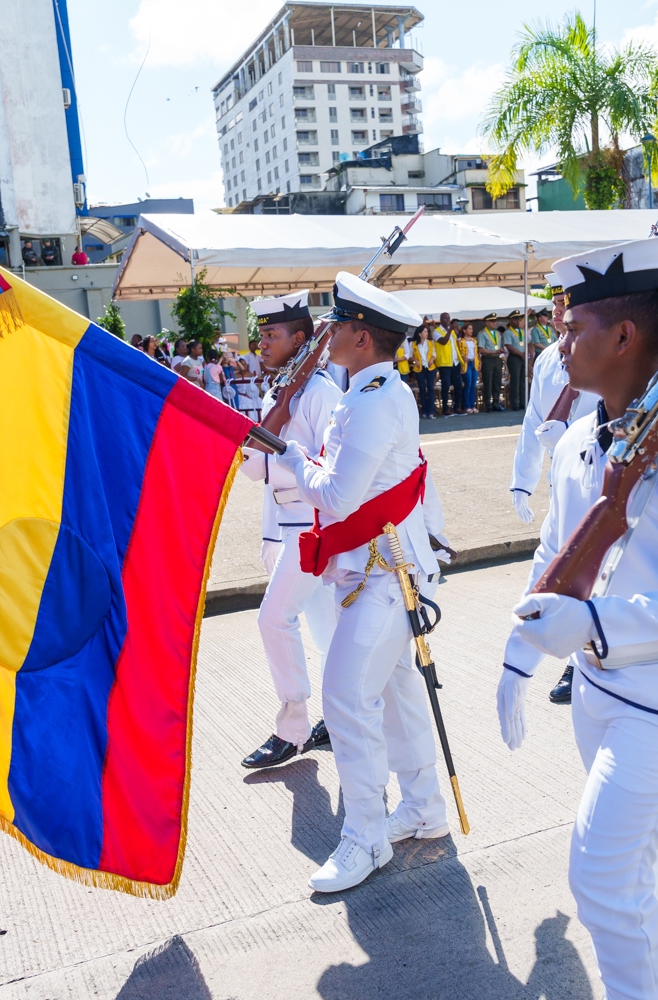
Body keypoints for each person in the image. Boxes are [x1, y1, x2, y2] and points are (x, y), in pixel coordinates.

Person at [497, 235, 658, 1000]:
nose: (560, 344)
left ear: (623, 335)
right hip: (604, 696)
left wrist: (597, 627)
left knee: (601, 876)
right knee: (649, 864)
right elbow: (556, 549)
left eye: (573, 329)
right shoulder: (583, 441)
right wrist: (522, 653)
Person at [270, 272, 449, 893]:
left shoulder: (373, 403)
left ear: (363, 340)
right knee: (397, 696)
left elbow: (341, 498)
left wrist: (294, 460)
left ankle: (366, 837)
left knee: (345, 698)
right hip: (380, 572)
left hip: (386, 576)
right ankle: (424, 807)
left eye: (338, 325)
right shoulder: (370, 394)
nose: (329, 333)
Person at [237, 291, 342, 771]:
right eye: (259, 334)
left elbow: (338, 470)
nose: (261, 342)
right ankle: (343, 719)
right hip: (284, 526)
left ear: (301, 339)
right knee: (328, 635)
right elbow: (257, 473)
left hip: (314, 528)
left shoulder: (320, 394)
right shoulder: (276, 392)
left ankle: (292, 728)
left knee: (272, 619)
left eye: (271, 334)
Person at [509, 271, 603, 706]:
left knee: (593, 572)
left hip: (600, 478)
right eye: (555, 303)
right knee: (556, 567)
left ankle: (576, 663)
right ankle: (542, 657)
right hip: (560, 480)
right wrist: (521, 483)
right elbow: (532, 423)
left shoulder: (602, 353)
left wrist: (565, 438)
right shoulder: (549, 358)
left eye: (564, 302)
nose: (557, 310)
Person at [432, 316, 459, 416]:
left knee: (458, 385)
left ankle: (456, 408)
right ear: (441, 320)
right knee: (446, 386)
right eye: (445, 318)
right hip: (444, 363)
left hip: (454, 361)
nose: (447, 320)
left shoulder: (451, 331)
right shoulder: (436, 331)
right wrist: (450, 331)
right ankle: (446, 409)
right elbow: (443, 342)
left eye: (448, 318)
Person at [478, 314, 503, 412]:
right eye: (492, 321)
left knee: (497, 381)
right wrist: (494, 352)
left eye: (495, 321)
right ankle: (488, 404)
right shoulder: (482, 333)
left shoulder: (497, 333)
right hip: (488, 359)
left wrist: (500, 350)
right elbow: (481, 349)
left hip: (497, 358)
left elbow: (500, 345)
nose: (494, 323)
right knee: (488, 381)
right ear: (487, 322)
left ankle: (496, 403)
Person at [502, 311, 526, 410]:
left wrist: (526, 354)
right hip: (515, 357)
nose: (518, 321)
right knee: (515, 380)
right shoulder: (508, 332)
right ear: (511, 320)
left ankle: (523, 402)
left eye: (519, 319)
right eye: (515, 319)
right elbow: (509, 345)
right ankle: (515, 403)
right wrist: (520, 353)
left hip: (523, 357)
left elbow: (528, 343)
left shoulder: (522, 331)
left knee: (523, 380)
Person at [412, 324, 436, 418]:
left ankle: (431, 411)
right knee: (422, 389)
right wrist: (415, 361)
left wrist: (431, 360)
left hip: (429, 367)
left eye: (427, 332)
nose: (426, 333)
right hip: (419, 368)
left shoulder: (430, 343)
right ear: (419, 333)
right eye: (425, 332)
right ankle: (424, 411)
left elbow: (434, 353)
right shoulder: (414, 344)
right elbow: (410, 355)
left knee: (430, 388)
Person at [460, 322, 479, 414]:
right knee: (468, 384)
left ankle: (472, 405)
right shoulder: (460, 341)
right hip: (466, 363)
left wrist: (479, 361)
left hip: (474, 362)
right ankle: (467, 405)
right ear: (464, 330)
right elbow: (459, 352)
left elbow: (476, 352)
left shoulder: (474, 340)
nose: (471, 331)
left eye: (471, 329)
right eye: (469, 329)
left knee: (473, 385)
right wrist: (463, 357)